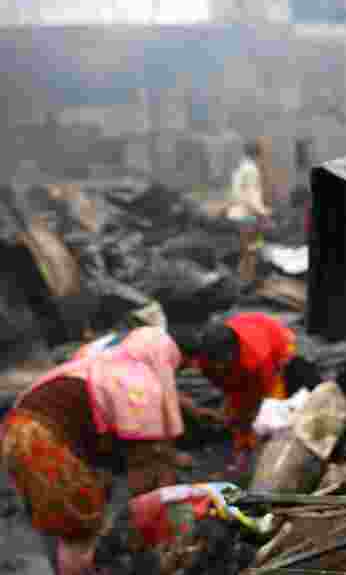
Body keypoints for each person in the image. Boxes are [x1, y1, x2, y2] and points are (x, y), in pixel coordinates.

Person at [0, 325, 226, 575]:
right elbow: (144, 467)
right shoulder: (137, 382)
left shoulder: (106, 358)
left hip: (18, 432)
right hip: (39, 440)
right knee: (78, 529)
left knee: (66, 521)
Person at [185, 313, 310, 473]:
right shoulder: (205, 357)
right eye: (215, 362)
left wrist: (250, 422)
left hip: (277, 343)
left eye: (223, 362)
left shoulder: (258, 358)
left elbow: (262, 396)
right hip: (249, 327)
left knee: (269, 414)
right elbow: (224, 385)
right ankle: (241, 441)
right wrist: (234, 409)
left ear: (234, 352)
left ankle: (261, 451)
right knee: (237, 406)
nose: (218, 367)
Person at [228, 140, 273, 282]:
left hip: (240, 215)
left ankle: (245, 278)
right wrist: (263, 214)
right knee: (253, 249)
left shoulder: (241, 168)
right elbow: (252, 195)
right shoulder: (251, 169)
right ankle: (249, 279)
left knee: (248, 249)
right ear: (257, 154)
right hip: (249, 216)